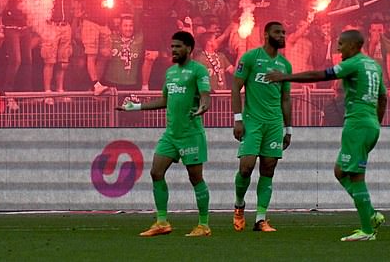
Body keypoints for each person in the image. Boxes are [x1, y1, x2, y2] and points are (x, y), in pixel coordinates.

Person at [266, 30, 387, 241]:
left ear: (352, 45)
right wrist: (376, 122)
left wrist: (286, 77)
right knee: (340, 171)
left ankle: (367, 230)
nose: (338, 48)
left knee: (356, 176)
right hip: (369, 124)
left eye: (341, 44)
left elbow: (320, 75)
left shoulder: (354, 63)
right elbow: (383, 97)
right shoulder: (374, 66)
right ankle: (371, 215)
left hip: (357, 125)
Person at [117, 31, 212, 237]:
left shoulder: (199, 71)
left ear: (189, 48)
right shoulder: (170, 73)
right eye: (172, 47)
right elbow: (164, 101)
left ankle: (203, 225)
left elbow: (206, 97)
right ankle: (162, 222)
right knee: (156, 172)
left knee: (195, 178)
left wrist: (202, 108)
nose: (174, 50)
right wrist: (135, 107)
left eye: (178, 46)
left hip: (191, 134)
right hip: (171, 135)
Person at [231, 21, 292, 233]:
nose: (282, 35)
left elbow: (286, 99)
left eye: (284, 32)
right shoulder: (250, 58)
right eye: (278, 32)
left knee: (268, 169)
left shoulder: (285, 65)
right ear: (266, 35)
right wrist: (238, 119)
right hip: (252, 121)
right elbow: (236, 87)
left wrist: (288, 128)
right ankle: (239, 205)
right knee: (246, 167)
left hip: (274, 124)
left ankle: (260, 219)